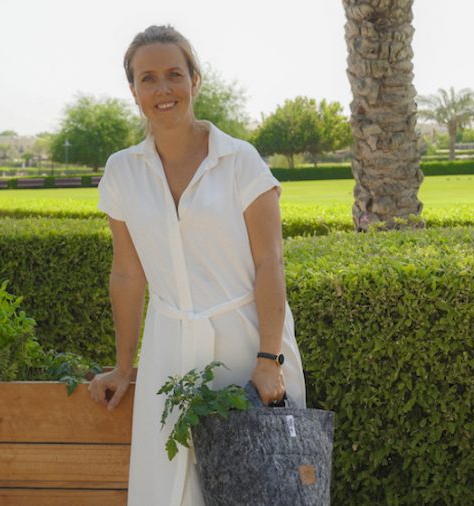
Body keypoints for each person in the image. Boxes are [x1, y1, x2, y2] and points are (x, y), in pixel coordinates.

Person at [88, 24, 307, 506]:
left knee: (256, 487)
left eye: (174, 74)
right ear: (133, 91)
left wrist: (270, 360)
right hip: (168, 350)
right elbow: (127, 274)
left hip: (249, 345)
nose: (163, 89)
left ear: (195, 80)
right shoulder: (121, 170)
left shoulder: (241, 161)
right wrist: (123, 368)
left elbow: (270, 263)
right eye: (147, 78)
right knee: (169, 490)